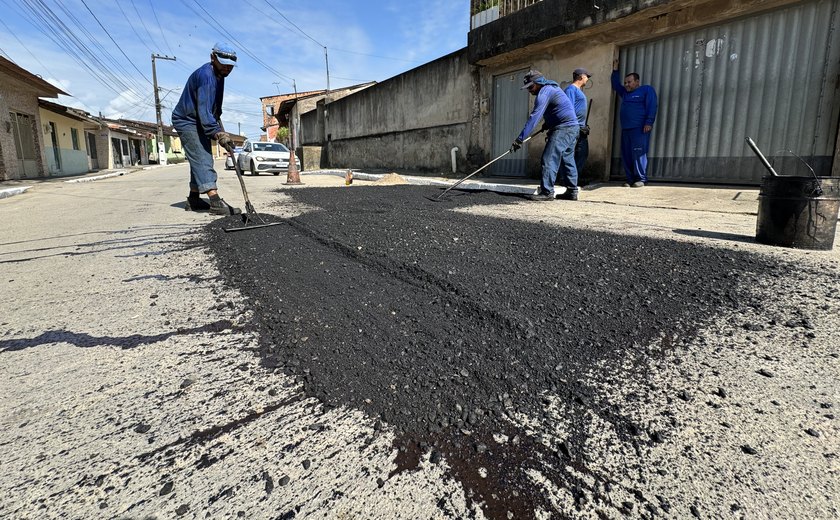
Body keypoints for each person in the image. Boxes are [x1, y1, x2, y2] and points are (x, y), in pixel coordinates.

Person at [171, 42, 241, 215]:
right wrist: (217, 132)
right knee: (203, 158)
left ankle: (194, 200)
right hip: (187, 120)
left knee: (198, 158)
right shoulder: (206, 76)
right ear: (212, 58)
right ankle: (215, 201)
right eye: (223, 64)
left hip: (200, 119)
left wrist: (217, 118)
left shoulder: (220, 75)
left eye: (230, 66)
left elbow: (212, 106)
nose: (227, 68)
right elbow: (203, 109)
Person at [512, 70, 580, 201]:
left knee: (549, 158)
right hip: (572, 127)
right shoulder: (552, 89)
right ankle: (572, 191)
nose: (530, 90)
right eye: (527, 88)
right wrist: (547, 124)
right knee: (567, 159)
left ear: (538, 83)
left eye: (531, 87)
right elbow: (557, 110)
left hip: (564, 128)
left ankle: (547, 192)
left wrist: (519, 139)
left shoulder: (545, 92)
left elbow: (534, 117)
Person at [611, 59, 658, 187]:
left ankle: (641, 179)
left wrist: (649, 122)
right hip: (626, 129)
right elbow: (616, 85)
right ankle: (630, 179)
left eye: (629, 82)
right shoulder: (625, 93)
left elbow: (652, 106)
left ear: (637, 82)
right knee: (626, 154)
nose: (626, 84)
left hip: (639, 128)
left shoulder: (646, 90)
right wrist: (615, 70)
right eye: (625, 82)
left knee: (638, 153)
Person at [564, 68, 591, 177]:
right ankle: (566, 178)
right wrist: (575, 125)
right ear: (581, 77)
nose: (588, 79)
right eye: (587, 77)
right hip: (574, 128)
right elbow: (568, 109)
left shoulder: (578, 90)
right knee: (569, 154)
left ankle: (574, 178)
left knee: (582, 153)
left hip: (581, 128)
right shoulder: (571, 90)